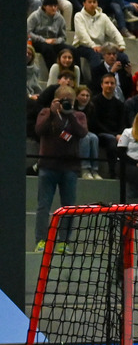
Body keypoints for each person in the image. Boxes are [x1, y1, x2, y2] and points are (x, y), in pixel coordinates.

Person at [35, 85, 87, 253]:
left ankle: (64, 242)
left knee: (68, 207)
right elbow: (39, 130)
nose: (66, 103)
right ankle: (41, 241)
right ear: (55, 100)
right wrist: (51, 112)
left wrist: (70, 114)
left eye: (70, 101)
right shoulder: (45, 113)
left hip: (69, 168)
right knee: (43, 206)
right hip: (48, 167)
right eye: (63, 100)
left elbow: (82, 133)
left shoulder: (79, 115)